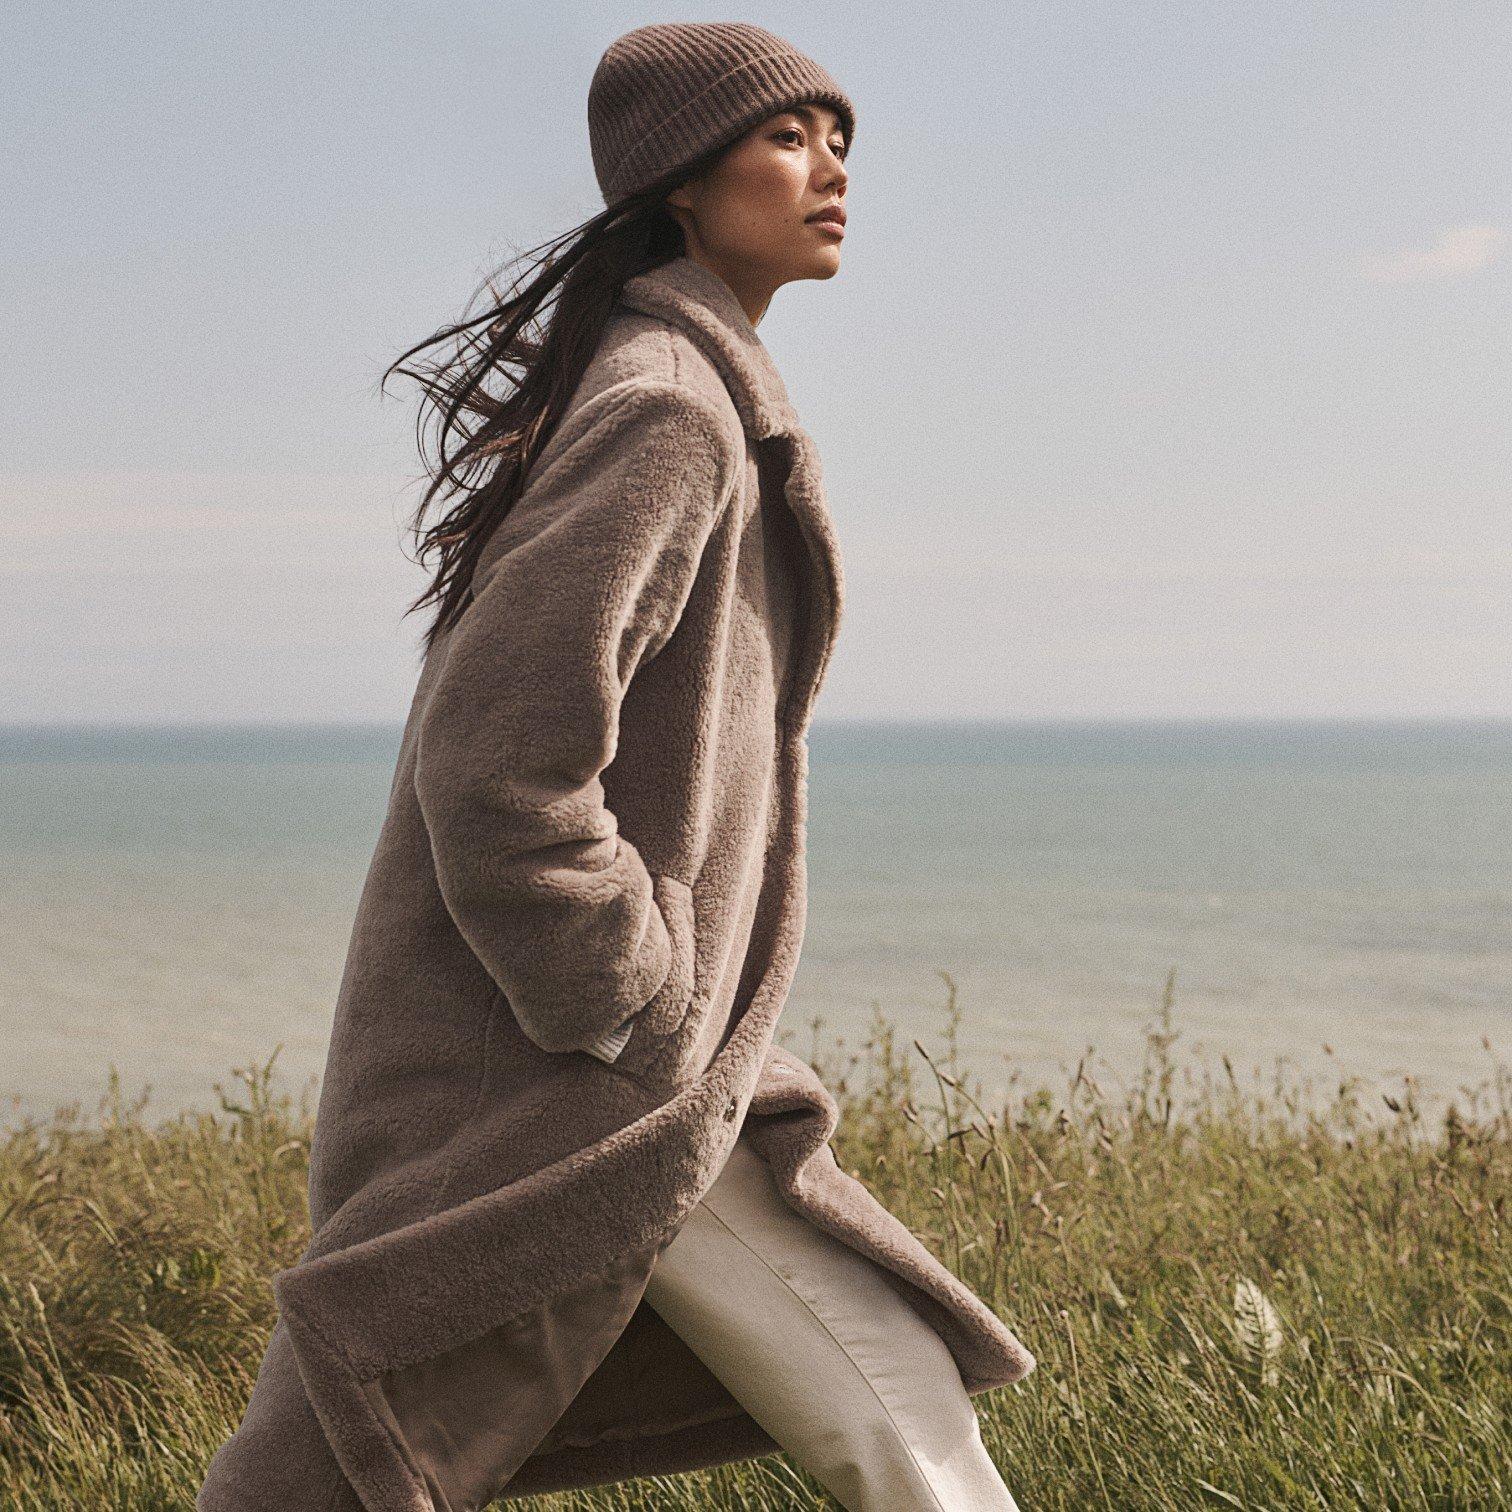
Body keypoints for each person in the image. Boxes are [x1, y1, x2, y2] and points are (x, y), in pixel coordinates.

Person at [198, 22, 1033, 1512]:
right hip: (582, 1086)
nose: (831, 165)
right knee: (899, 1422)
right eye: (787, 136)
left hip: (616, 1075)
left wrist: (666, 1016)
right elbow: (498, 771)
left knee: (889, 1416)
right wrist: (641, 1010)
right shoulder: (668, 408)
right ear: (682, 185)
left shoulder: (694, 394)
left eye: (842, 138)